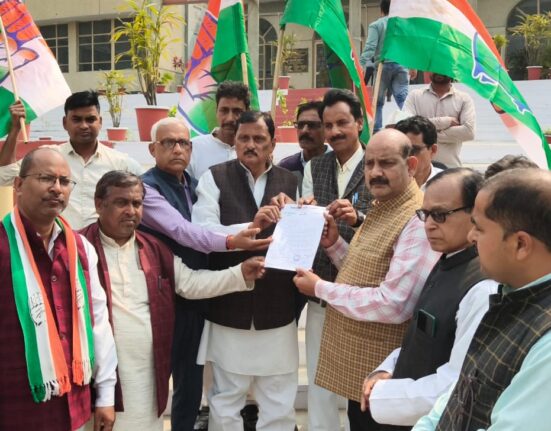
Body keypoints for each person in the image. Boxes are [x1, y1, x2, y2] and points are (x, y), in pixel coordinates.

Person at [79, 171, 266, 431]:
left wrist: (239, 274)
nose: (131, 211)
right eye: (122, 202)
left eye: (137, 203)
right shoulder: (76, 248)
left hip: (146, 374)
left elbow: (190, 283)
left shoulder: (153, 249)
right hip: (92, 373)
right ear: (99, 204)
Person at [293, 128, 440, 431]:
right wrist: (334, 245)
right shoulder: (383, 206)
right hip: (361, 372)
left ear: (411, 166)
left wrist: (320, 287)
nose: (375, 173)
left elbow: (394, 304)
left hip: (384, 379)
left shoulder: (415, 220)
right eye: (370, 164)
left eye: (386, 163)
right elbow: (366, 271)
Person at [138, 117, 270, 431]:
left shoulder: (195, 185)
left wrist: (251, 227)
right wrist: (233, 240)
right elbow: (183, 232)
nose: (177, 149)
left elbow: (210, 227)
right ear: (152, 149)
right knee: (154, 382)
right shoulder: (145, 188)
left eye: (184, 143)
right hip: (161, 297)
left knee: (191, 382)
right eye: (168, 143)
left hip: (197, 294)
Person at [412, 168, 551, 431]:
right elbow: (463, 389)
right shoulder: (511, 297)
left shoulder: (546, 345)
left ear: (521, 244)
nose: (471, 236)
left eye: (479, 227)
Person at [360, 168, 498, 430]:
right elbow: (421, 337)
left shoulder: (482, 288)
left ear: (476, 214)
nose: (429, 225)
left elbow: (456, 385)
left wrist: (383, 396)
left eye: (441, 215)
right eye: (425, 214)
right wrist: (388, 369)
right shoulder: (447, 260)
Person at [192, 111, 299, 430]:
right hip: (229, 308)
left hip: (277, 309)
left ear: (273, 144)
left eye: (259, 139)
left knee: (279, 402)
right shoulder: (215, 177)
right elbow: (203, 231)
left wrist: (299, 211)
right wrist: (250, 227)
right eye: (244, 138)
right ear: (234, 141)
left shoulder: (291, 181)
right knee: (225, 402)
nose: (250, 145)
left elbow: (302, 240)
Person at [0, 148, 117, 431]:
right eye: (45, 178)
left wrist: (105, 395)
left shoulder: (80, 248)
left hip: (73, 405)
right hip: (14, 404)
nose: (56, 188)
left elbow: (99, 323)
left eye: (65, 181)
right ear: (18, 184)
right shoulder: (3, 245)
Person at [302, 89, 371, 431]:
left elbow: (393, 221)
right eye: (328, 125)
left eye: (342, 122)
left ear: (359, 123)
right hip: (322, 292)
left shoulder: (378, 165)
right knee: (320, 380)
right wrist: (304, 212)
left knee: (363, 383)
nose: (334, 132)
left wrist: (358, 217)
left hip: (366, 293)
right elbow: (306, 223)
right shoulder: (315, 166)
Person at [0, 93, 143, 229]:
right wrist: (15, 129)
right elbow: (4, 176)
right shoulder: (47, 157)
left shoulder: (120, 163)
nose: (84, 125)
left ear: (100, 122)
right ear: (64, 123)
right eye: (77, 120)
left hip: (102, 244)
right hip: (58, 242)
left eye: (90, 119)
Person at [359, 0, 414, 133]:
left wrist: (361, 64)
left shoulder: (376, 25)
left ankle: (377, 131)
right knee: (403, 99)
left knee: (378, 102)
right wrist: (413, 66)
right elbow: (409, 47)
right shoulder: (403, 25)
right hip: (401, 66)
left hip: (382, 66)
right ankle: (411, 128)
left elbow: (370, 47)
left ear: (381, 10)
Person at [404, 74, 475, 168]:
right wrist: (445, 122)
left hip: (450, 168)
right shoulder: (415, 96)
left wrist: (424, 134)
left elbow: (469, 132)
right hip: (417, 169)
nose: (438, 71)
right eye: (436, 67)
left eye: (443, 68)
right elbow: (408, 128)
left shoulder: (464, 99)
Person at [187, 81, 250, 180]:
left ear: (247, 113)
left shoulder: (255, 150)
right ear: (216, 111)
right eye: (224, 110)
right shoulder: (193, 148)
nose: (230, 118)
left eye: (237, 111)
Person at [278, 100, 328, 194]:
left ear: (327, 128)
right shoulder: (285, 168)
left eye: (312, 125)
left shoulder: (338, 165)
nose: (304, 131)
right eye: (300, 125)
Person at [394, 115, 442, 190]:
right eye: (399, 150)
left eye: (413, 150)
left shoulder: (449, 186)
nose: (406, 157)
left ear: (433, 150)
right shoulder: (385, 183)